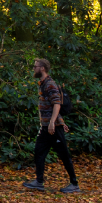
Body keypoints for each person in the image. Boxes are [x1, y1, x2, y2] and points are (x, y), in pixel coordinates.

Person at [24, 58, 79, 194]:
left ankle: (74, 184)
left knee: (64, 155)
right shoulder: (43, 84)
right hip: (47, 126)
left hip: (52, 127)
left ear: (42, 68)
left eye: (35, 66)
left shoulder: (50, 84)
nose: (33, 68)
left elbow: (57, 104)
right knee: (39, 152)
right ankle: (39, 181)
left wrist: (53, 122)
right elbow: (52, 105)